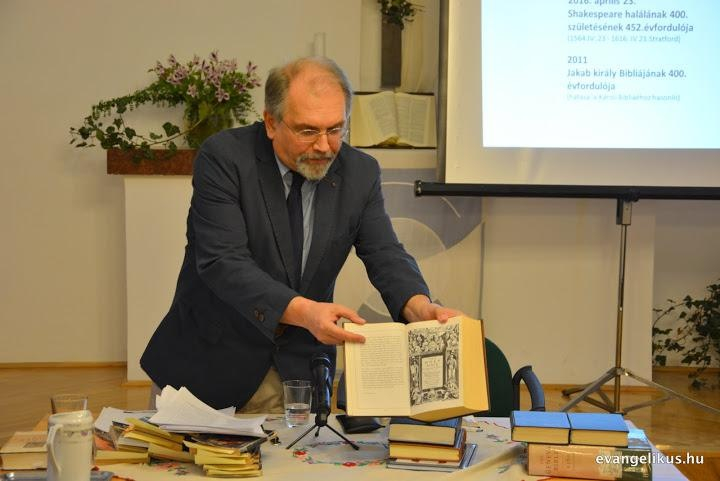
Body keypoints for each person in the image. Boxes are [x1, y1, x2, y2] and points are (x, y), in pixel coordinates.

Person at [141, 56, 461, 412]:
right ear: (271, 122)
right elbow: (223, 261)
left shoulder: (360, 172)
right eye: (308, 131)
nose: (324, 146)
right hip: (209, 365)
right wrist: (307, 312)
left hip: (298, 373)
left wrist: (418, 305)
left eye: (336, 129)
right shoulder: (225, 158)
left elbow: (385, 252)